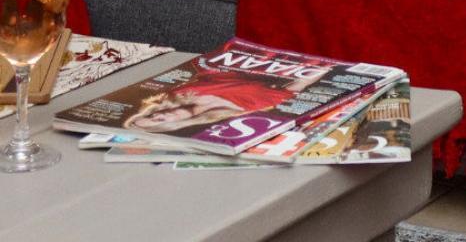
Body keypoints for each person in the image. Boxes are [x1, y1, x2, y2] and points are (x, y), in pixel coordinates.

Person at [124, 66, 325, 133]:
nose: (159, 114)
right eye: (159, 121)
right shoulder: (239, 113)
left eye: (151, 115)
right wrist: (324, 68)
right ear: (172, 126)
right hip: (290, 67)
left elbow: (207, 67)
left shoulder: (180, 93)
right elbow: (296, 87)